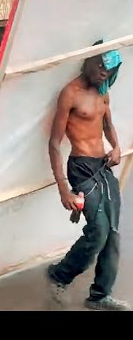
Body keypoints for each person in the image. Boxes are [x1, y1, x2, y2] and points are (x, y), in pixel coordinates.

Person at [46, 43, 129, 311]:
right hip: (80, 167)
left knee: (113, 232)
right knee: (99, 230)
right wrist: (63, 190)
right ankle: (60, 275)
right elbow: (54, 143)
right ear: (88, 61)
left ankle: (99, 296)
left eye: (110, 68)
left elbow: (108, 124)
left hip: (103, 166)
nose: (105, 72)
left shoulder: (104, 93)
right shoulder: (70, 93)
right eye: (101, 65)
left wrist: (116, 147)